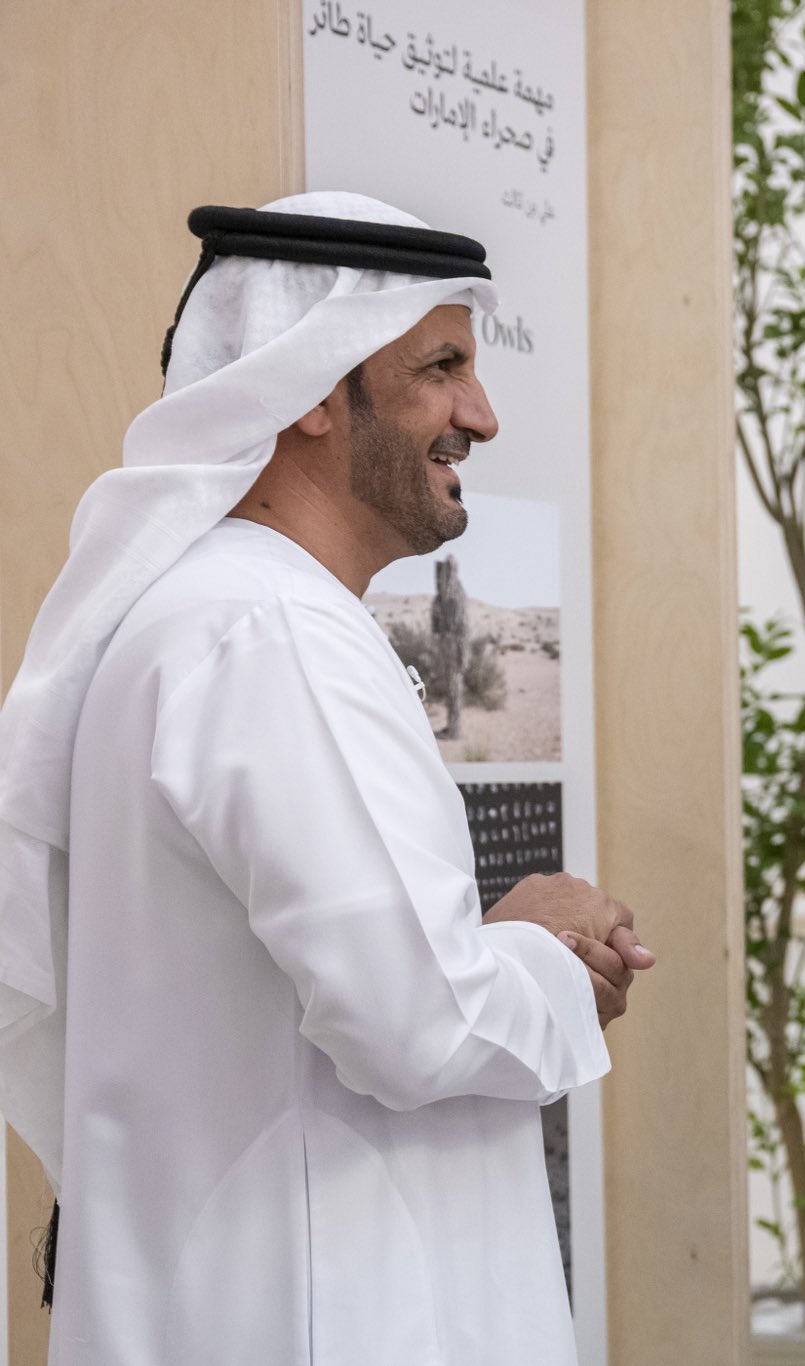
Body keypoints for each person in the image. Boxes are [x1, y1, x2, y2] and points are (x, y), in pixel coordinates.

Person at [0, 195, 652, 1364]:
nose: (482, 415)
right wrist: (550, 948)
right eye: (441, 368)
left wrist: (496, 948)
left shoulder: (233, 615)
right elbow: (416, 1025)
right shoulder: (270, 632)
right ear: (307, 386)